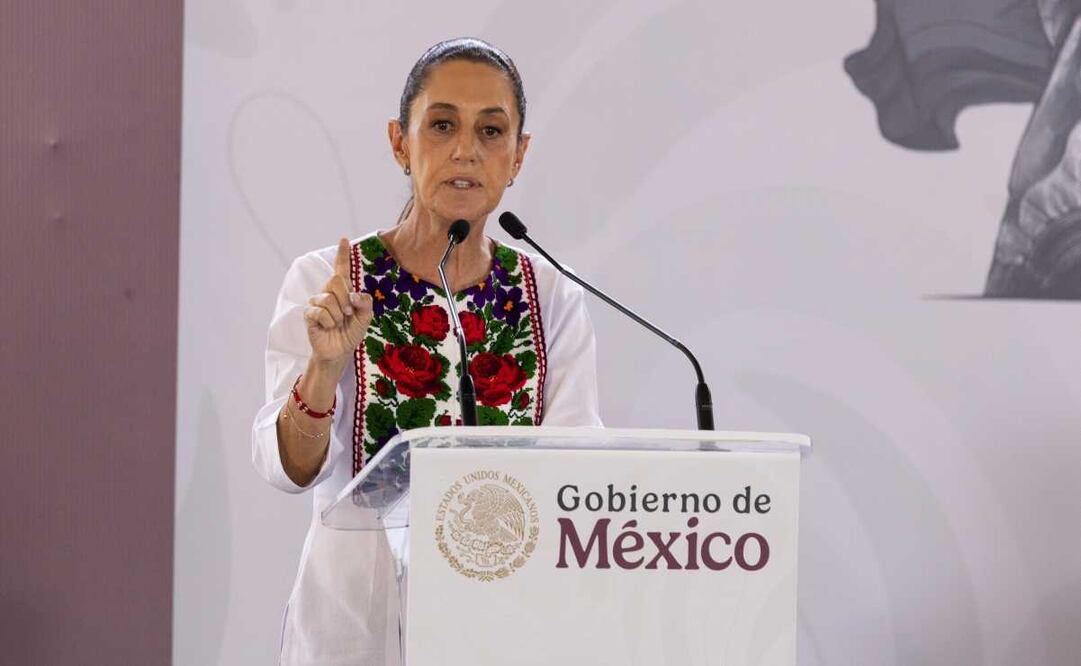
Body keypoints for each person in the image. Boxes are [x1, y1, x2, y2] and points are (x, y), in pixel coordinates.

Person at [250, 38, 602, 665]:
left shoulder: (551, 296)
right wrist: (325, 368)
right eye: (441, 125)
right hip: (355, 630)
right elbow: (290, 469)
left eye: (491, 132)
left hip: (506, 630)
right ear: (399, 142)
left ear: (518, 156)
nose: (466, 149)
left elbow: (574, 475)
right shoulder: (326, 282)